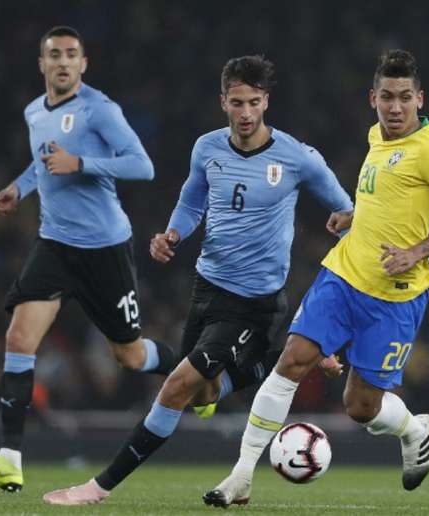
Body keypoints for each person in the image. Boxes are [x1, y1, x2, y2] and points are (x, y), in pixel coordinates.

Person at [41, 54, 353, 506]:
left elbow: (344, 207)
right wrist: (173, 233)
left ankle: (98, 487)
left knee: (176, 387)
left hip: (253, 302)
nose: (246, 113)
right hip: (206, 287)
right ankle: (287, 354)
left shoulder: (297, 157)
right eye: (237, 102)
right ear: (223, 101)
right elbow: (191, 202)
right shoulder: (207, 148)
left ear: (267, 102)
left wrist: (342, 217)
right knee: (203, 392)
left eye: (254, 103)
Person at [203, 49, 429, 507]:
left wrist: (416, 251)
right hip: (343, 274)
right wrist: (354, 216)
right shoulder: (377, 137)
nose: (395, 108)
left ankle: (415, 428)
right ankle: (241, 476)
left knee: (361, 407)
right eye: (387, 97)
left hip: (395, 298)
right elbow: (391, 200)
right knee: (292, 360)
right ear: (373, 98)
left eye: (405, 98)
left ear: (420, 99)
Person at [0, 26, 177, 493]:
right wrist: (19, 188)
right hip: (54, 244)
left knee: (130, 353)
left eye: (71, 55)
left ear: (84, 64)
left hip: (104, 249)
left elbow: (143, 165)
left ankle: (194, 376)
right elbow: (43, 164)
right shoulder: (33, 112)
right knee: (19, 338)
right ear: (42, 64)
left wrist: (81, 163)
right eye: (54, 55)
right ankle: (9, 458)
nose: (62, 62)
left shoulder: (99, 110)